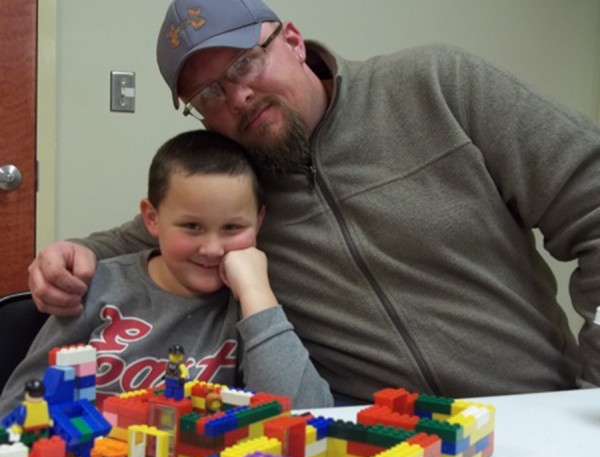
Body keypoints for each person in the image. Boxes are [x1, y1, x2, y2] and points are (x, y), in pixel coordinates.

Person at [27, 0, 600, 403]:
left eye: (244, 63)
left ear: (293, 41)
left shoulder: (438, 86)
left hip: (530, 409)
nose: (238, 96)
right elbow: (146, 234)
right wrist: (67, 254)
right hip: (366, 440)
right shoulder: (237, 192)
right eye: (209, 94)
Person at [0, 129, 333, 417]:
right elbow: (18, 406)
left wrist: (257, 294)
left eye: (233, 227)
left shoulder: (249, 308)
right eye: (192, 226)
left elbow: (308, 417)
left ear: (259, 221)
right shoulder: (97, 290)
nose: (212, 249)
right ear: (152, 219)